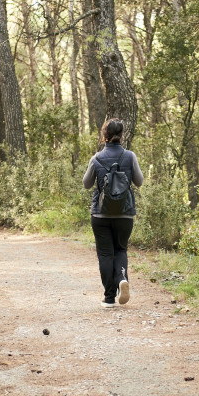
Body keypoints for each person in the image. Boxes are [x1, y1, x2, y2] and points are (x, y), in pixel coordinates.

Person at [82, 118, 144, 308]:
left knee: (105, 254)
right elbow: (139, 181)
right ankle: (122, 279)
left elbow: (87, 184)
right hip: (124, 214)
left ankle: (109, 298)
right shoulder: (130, 156)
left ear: (104, 135)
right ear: (121, 135)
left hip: (100, 214)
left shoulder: (97, 158)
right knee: (121, 249)